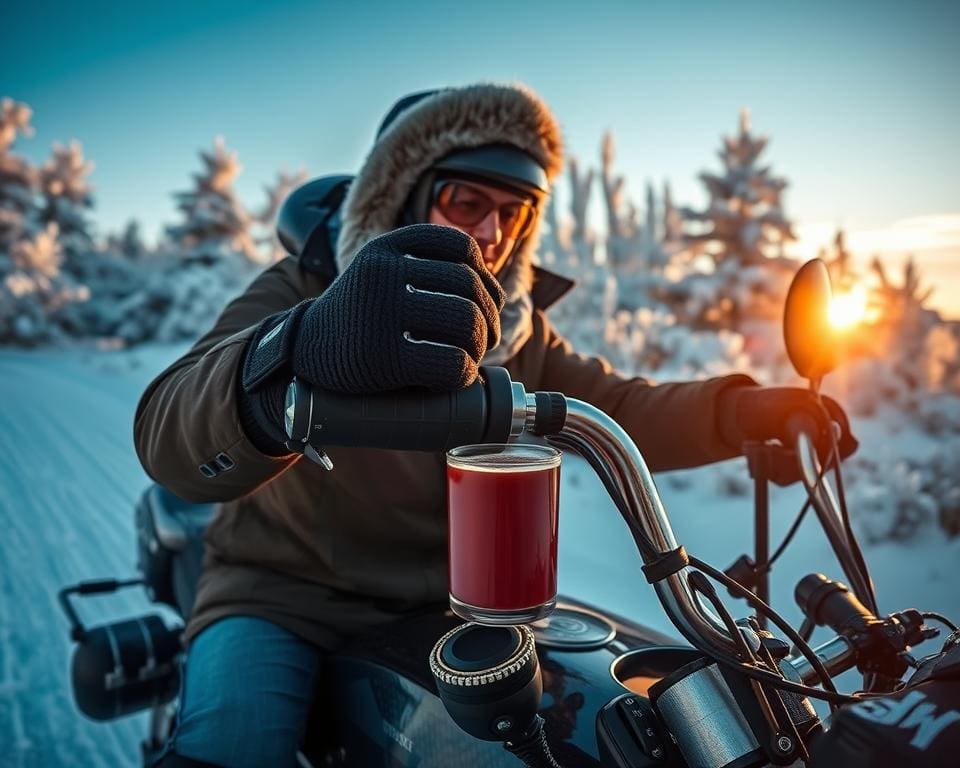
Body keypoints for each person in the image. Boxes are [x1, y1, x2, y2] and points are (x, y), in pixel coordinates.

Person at [135, 83, 857, 767]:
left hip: (454, 606)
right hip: (283, 593)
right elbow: (169, 424)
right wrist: (299, 351)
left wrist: (739, 411)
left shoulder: (511, 331)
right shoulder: (309, 289)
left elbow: (620, 407)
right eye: (465, 200)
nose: (491, 233)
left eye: (514, 212)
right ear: (405, 196)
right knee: (236, 748)